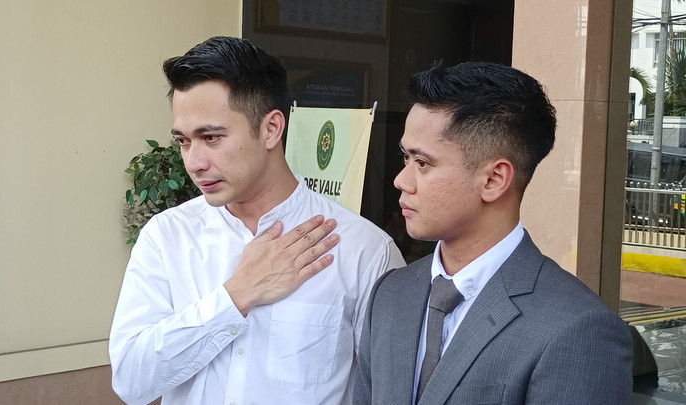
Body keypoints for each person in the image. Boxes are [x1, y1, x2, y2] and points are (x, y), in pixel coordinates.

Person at [109, 36, 405, 405]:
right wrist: (237, 296)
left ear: (271, 129)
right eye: (184, 141)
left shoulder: (363, 250)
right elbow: (131, 382)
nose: (194, 162)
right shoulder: (167, 236)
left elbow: (387, 390)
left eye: (211, 137)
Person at [353, 61, 633, 404]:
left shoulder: (577, 328)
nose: (401, 180)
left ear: (494, 179)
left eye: (422, 163)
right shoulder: (391, 293)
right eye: (405, 158)